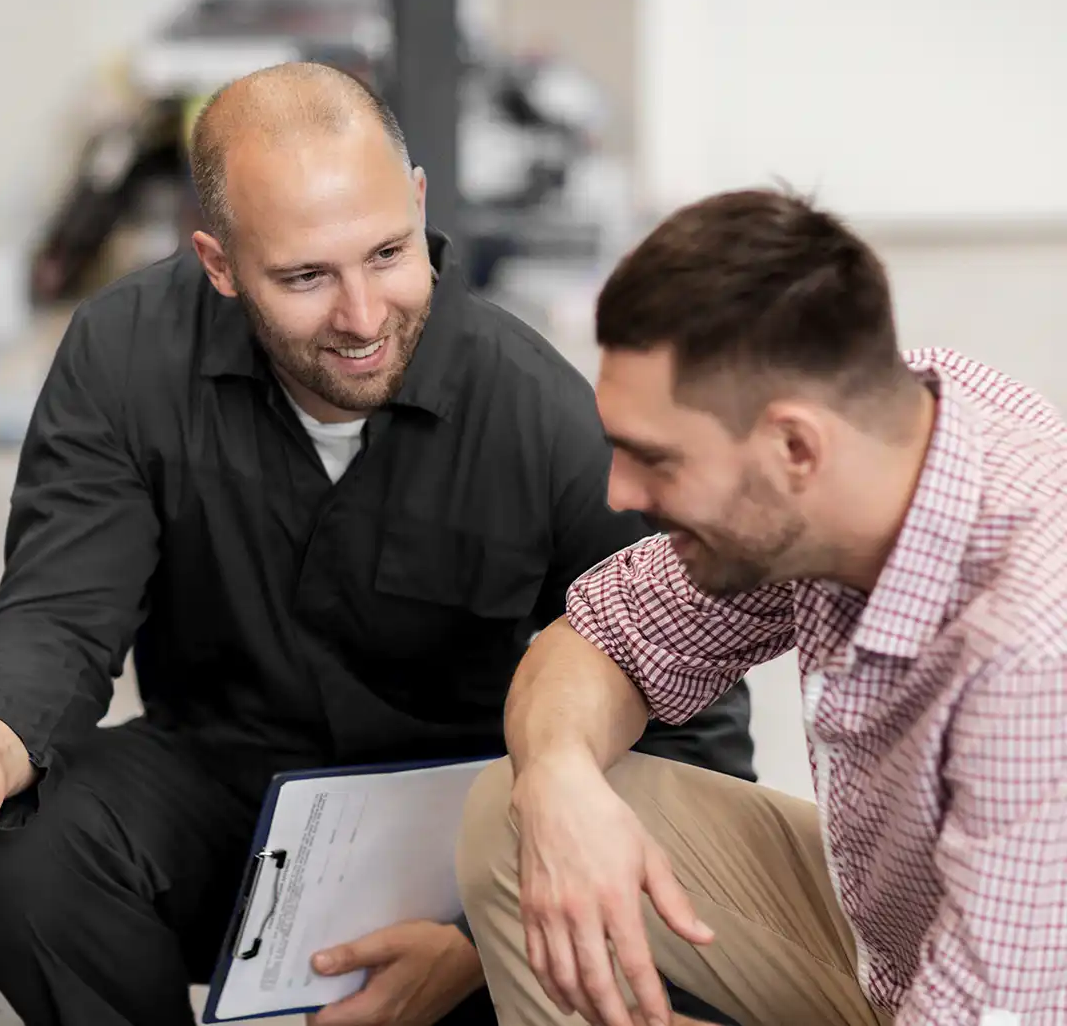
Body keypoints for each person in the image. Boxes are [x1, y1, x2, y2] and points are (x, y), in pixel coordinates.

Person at [0, 62, 755, 1026]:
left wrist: (479, 941)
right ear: (219, 262)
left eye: (386, 254)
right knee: (17, 841)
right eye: (305, 278)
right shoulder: (124, 358)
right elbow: (63, 604)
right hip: (228, 793)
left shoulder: (538, 411)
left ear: (417, 202)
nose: (363, 317)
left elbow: (690, 722)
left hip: (476, 843)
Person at [455, 188, 1067, 1026]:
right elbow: (600, 634)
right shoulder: (889, 423)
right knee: (521, 817)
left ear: (794, 448)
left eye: (656, 460)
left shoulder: (1034, 656)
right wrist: (558, 775)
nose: (621, 491)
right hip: (903, 940)